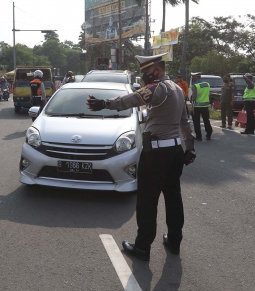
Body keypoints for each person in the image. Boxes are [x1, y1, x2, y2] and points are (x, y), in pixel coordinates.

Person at [86, 53, 196, 261]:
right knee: (174, 198)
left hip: (156, 154)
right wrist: (189, 147)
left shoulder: (157, 88)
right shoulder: (179, 90)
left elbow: (131, 99)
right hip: (175, 151)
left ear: (157, 70)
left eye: (146, 72)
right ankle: (174, 240)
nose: (144, 76)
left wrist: (104, 104)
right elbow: (185, 122)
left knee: (147, 201)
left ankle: (142, 247)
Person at [190, 72, 213, 140]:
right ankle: (209, 134)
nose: (193, 78)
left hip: (196, 106)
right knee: (206, 120)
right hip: (205, 106)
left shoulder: (195, 85)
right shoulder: (207, 84)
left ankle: (199, 136)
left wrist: (192, 106)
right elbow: (208, 94)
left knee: (196, 121)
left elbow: (194, 97)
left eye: (193, 77)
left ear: (196, 77)